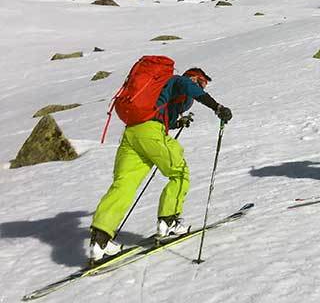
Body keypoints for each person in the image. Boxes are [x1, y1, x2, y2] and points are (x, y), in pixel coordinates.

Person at [89, 67, 233, 263]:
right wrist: (217, 107)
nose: (201, 86)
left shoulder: (160, 90)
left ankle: (100, 239)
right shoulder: (179, 81)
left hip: (131, 134)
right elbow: (192, 92)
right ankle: (169, 220)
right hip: (151, 133)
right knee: (180, 173)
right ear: (193, 78)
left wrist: (177, 122)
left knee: (124, 184)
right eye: (201, 82)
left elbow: (163, 117)